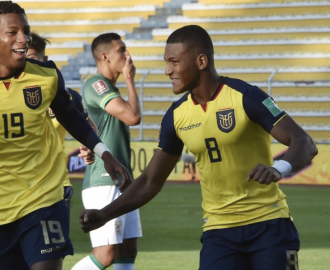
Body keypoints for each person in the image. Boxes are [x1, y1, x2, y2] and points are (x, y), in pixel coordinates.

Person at [79, 25, 318, 270]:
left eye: (174, 62)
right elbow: (151, 180)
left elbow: (304, 143)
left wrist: (279, 168)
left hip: (269, 225)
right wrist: (105, 214)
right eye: (166, 62)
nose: (167, 70)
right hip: (219, 232)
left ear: (201, 61)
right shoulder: (176, 116)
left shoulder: (246, 96)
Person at [0, 2, 130, 270]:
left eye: (26, 31)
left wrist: (105, 153)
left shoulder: (46, 76)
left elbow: (69, 114)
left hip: (44, 197)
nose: (23, 38)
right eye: (13, 32)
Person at [72, 33, 142, 270]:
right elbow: (133, 117)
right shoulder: (96, 83)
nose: (127, 55)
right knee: (105, 254)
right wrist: (130, 80)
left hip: (122, 181)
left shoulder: (110, 87)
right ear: (105, 56)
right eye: (122, 50)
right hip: (104, 180)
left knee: (127, 250)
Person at [26, 32, 97, 213]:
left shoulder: (67, 97)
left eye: (33, 58)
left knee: (56, 241)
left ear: (45, 59)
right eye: (24, 58)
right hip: (17, 185)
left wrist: (89, 146)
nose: (28, 64)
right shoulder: (5, 96)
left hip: (55, 185)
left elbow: (88, 128)